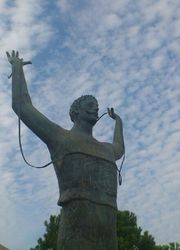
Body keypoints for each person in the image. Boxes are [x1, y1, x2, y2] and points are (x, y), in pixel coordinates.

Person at [7, 50, 125, 250]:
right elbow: (22, 106)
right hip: (75, 235)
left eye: (97, 106)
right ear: (75, 112)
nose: (96, 109)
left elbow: (119, 149)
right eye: (90, 105)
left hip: (108, 235)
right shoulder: (61, 138)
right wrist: (17, 69)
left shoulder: (106, 150)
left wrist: (119, 122)